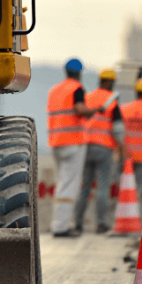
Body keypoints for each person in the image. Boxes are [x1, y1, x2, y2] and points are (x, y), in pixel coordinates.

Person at [47, 58, 96, 237]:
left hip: (56, 142)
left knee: (62, 183)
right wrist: (94, 110)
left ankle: (59, 224)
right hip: (73, 143)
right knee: (69, 186)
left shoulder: (55, 90)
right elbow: (79, 109)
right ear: (80, 73)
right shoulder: (77, 89)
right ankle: (61, 227)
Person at [73, 68, 124, 234]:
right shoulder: (112, 101)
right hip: (104, 147)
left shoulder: (88, 97)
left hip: (85, 145)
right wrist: (122, 148)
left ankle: (78, 223)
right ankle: (101, 223)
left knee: (84, 187)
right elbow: (117, 129)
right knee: (102, 186)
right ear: (110, 82)